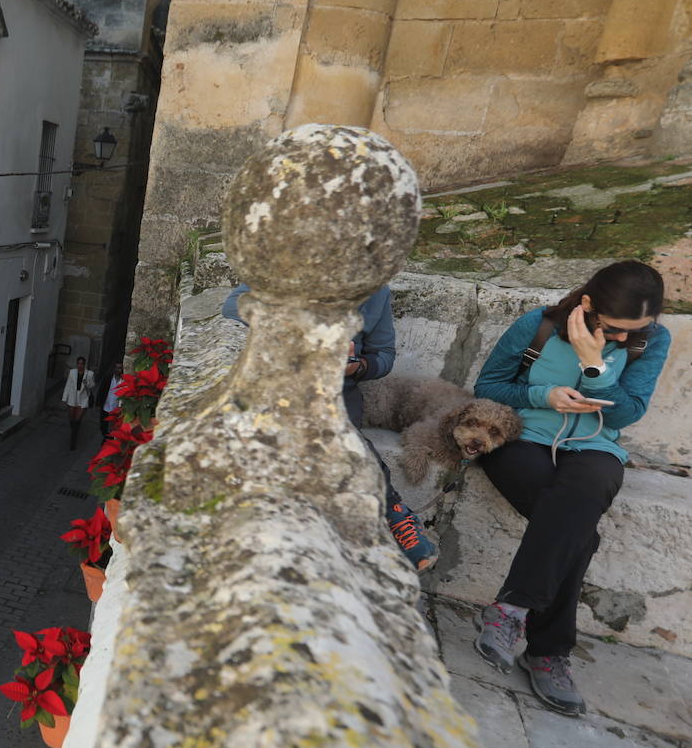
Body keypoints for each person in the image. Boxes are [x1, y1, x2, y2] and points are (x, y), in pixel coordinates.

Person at [472, 261, 668, 717]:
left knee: (589, 488)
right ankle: (548, 652)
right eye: (614, 328)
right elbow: (489, 386)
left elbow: (627, 413)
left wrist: (595, 367)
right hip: (522, 437)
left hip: (596, 445)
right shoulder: (537, 325)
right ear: (587, 305)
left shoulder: (652, 339)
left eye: (634, 330)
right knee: (580, 531)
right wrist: (544, 396)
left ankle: (511, 609)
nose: (624, 338)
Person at [222, 284, 439, 570]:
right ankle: (394, 512)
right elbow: (232, 306)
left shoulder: (377, 290)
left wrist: (357, 366)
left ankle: (388, 517)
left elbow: (384, 355)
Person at [61, 356, 96, 450]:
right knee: (71, 419)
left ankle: (73, 440)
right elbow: (68, 385)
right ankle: (74, 431)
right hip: (72, 397)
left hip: (83, 399)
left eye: (82, 364)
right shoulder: (72, 372)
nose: (80, 365)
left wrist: (86, 383)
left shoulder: (90, 374)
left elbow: (92, 386)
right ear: (77, 364)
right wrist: (64, 398)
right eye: (78, 363)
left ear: (84, 364)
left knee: (77, 420)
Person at [100, 362, 123, 436]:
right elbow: (102, 390)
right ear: (114, 368)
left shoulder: (123, 381)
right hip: (106, 405)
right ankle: (105, 438)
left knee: (113, 427)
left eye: (120, 368)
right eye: (116, 367)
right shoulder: (108, 378)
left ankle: (109, 438)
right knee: (103, 425)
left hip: (115, 408)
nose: (118, 369)